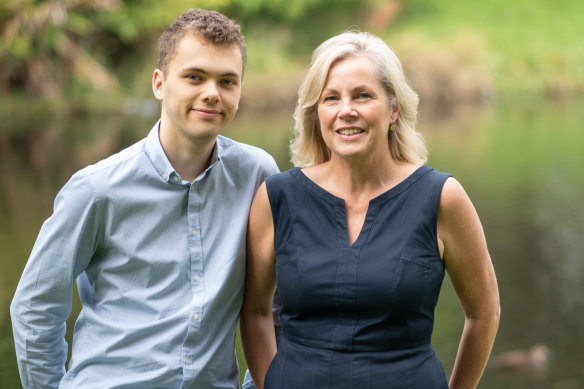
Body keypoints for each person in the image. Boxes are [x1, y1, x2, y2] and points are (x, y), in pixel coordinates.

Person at [10, 8, 278, 388]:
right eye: (194, 77)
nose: (212, 94)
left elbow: (276, 303)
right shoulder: (95, 189)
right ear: (159, 83)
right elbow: (36, 306)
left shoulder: (257, 176)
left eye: (227, 81)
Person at [240, 31, 500, 389]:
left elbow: (484, 312)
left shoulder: (441, 197)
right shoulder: (277, 197)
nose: (347, 110)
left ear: (393, 109)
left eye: (362, 95)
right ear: (317, 113)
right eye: (331, 98)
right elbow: (254, 312)